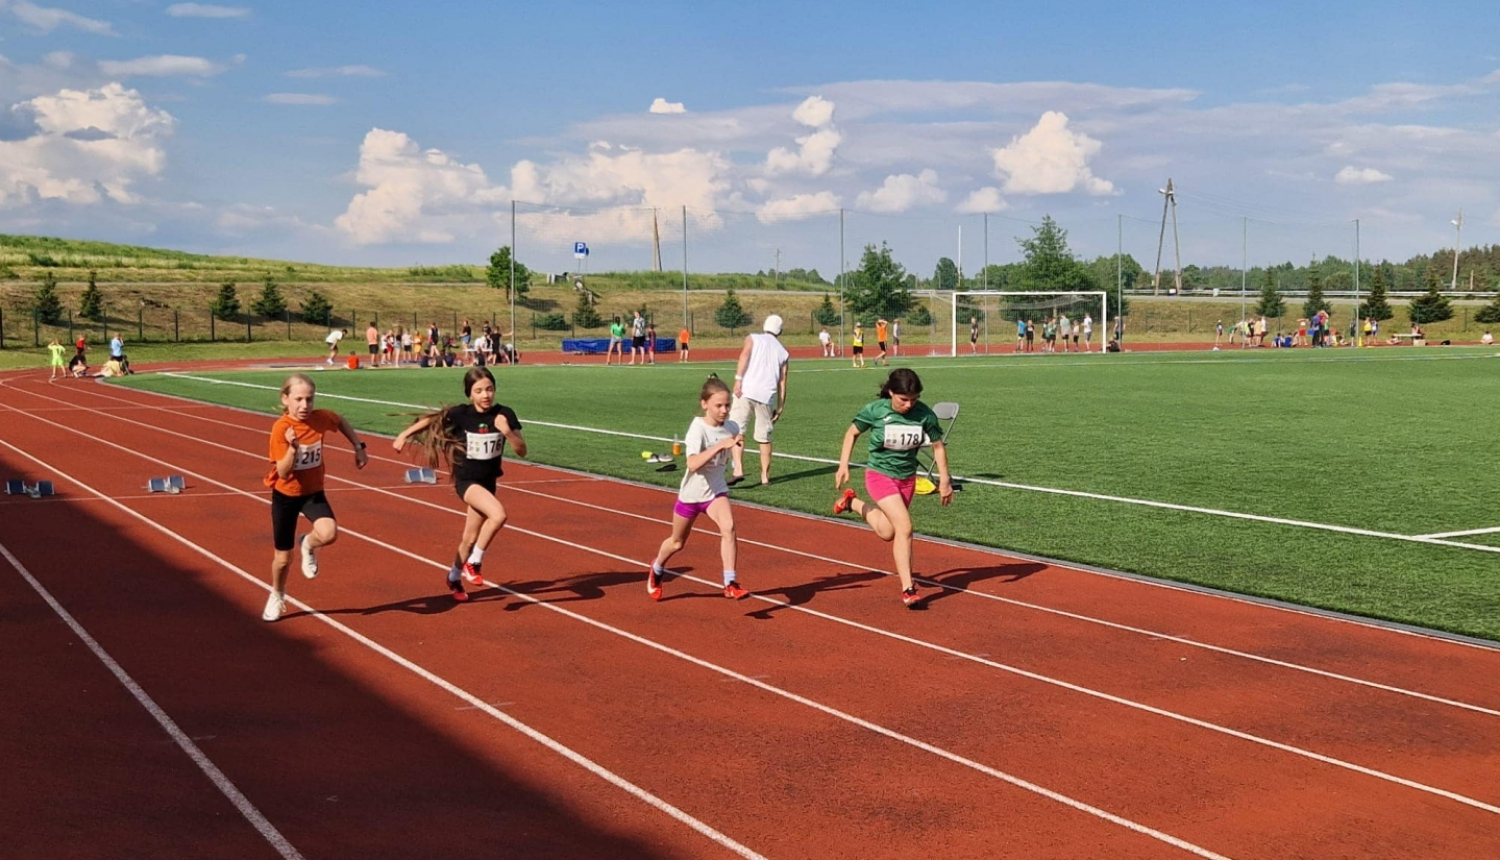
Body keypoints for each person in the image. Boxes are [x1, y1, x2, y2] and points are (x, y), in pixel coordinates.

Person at [393, 367, 527, 602]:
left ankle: (454, 576)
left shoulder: (504, 414)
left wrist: (506, 431)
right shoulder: (461, 414)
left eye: (489, 389)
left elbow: (522, 450)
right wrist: (404, 434)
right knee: (498, 515)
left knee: (469, 538)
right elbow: (430, 420)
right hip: (467, 480)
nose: (485, 395)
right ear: (469, 394)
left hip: (488, 482)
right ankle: (474, 563)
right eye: (478, 391)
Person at [832, 368, 953, 608]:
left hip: (906, 479)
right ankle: (908, 588)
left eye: (914, 399)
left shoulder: (925, 415)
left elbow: (938, 447)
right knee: (905, 526)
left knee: (888, 532)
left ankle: (851, 502)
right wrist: (843, 464)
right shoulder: (876, 411)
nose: (909, 405)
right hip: (879, 475)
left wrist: (945, 480)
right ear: (890, 392)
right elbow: (852, 432)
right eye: (903, 400)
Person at [262, 373, 369, 622]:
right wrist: (292, 448)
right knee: (282, 559)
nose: (304, 405)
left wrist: (358, 446)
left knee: (329, 533)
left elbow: (340, 421)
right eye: (298, 399)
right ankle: (277, 594)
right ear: (285, 399)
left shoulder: (320, 418)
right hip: (286, 495)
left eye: (309, 399)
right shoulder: (281, 428)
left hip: (312, 492)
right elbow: (285, 471)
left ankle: (308, 544)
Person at [646, 375, 749, 602]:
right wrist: (720, 445)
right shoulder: (697, 429)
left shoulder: (731, 426)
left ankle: (730, 582)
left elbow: (736, 440)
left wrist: (737, 445)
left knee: (729, 527)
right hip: (691, 495)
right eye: (718, 405)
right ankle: (658, 567)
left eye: (727, 405)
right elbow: (692, 464)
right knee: (677, 542)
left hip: (715, 491)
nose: (724, 410)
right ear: (705, 404)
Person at [730, 314, 790, 487]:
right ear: (780, 330)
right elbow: (783, 380)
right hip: (766, 395)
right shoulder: (783, 352)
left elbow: (744, 355)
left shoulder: (753, 338)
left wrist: (738, 379)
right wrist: (780, 406)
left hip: (746, 391)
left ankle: (738, 469)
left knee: (737, 430)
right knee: (764, 437)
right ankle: (765, 476)